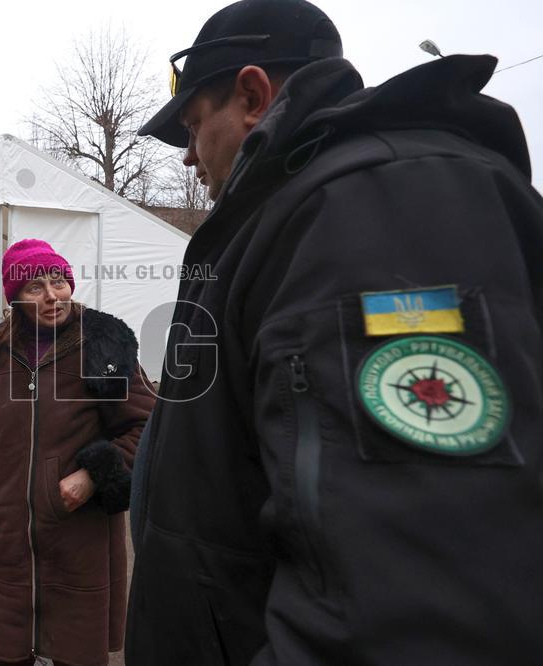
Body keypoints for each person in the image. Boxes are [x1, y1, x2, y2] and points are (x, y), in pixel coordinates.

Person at [127, 0, 543, 663]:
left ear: (253, 95)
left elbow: (411, 608)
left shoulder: (386, 202)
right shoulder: (291, 218)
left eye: (194, 124)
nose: (187, 159)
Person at [0, 239, 155, 666]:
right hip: (8, 534)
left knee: (77, 653)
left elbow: (145, 424)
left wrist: (93, 476)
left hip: (81, 533)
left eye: (58, 281)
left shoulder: (104, 343)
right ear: (14, 296)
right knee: (4, 652)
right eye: (35, 286)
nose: (51, 295)